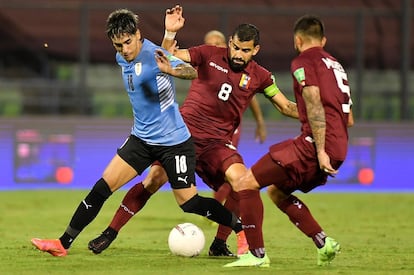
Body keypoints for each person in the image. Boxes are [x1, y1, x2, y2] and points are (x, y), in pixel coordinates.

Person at [87, 5, 298, 260]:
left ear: (256, 51)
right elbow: (171, 55)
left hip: (217, 145)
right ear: (230, 42)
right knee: (153, 180)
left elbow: (286, 106)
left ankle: (221, 244)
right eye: (235, 47)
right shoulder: (208, 53)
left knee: (242, 183)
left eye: (245, 50)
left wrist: (321, 114)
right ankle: (110, 232)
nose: (238, 54)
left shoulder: (262, 77)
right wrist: (170, 34)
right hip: (180, 137)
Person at [30, 8, 246, 257]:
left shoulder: (154, 55)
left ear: (138, 35)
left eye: (128, 42)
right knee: (101, 188)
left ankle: (239, 230)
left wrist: (172, 68)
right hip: (141, 139)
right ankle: (62, 244)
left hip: (174, 142)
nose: (124, 49)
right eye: (118, 44)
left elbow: (191, 72)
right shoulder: (121, 57)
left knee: (190, 203)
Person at [224, 14, 354, 267]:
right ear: (323, 40)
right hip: (339, 147)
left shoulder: (304, 61)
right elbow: (347, 117)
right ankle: (323, 242)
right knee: (277, 192)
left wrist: (320, 150)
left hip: (316, 146)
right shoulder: (336, 65)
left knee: (245, 183)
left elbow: (314, 104)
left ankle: (256, 254)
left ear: (297, 39)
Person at [203, 29, 267, 208]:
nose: (214, 46)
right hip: (203, 128)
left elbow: (251, 97)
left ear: (226, 44)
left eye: (218, 42)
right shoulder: (204, 64)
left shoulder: (239, 69)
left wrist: (260, 123)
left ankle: (216, 207)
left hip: (228, 128)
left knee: (228, 168)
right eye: (210, 43)